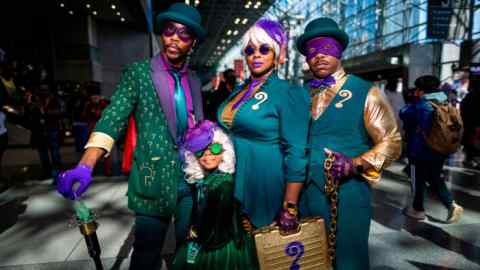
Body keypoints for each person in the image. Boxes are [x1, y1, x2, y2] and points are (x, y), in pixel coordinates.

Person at [56, 3, 206, 269]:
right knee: (146, 254)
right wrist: (85, 164)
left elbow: (199, 127)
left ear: (192, 41)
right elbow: (113, 118)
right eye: (170, 30)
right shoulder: (138, 74)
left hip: (191, 182)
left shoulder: (194, 80)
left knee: (190, 251)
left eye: (184, 34)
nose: (174, 38)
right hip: (152, 181)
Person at [290, 18, 402, 269]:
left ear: (340, 51)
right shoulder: (298, 94)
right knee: (309, 260)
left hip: (347, 193)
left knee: (348, 258)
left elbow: (392, 141)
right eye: (312, 51)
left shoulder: (366, 92)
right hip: (303, 193)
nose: (319, 56)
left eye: (327, 49)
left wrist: (356, 163)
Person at [217, 19, 309, 231]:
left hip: (265, 183)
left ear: (276, 53)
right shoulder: (240, 91)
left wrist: (290, 206)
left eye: (264, 49)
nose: (256, 55)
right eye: (250, 50)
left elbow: (296, 152)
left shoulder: (288, 93)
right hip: (234, 178)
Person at [171, 120, 258, 270]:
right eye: (200, 152)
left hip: (219, 246)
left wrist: (198, 233)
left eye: (215, 149)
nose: (208, 155)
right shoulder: (206, 179)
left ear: (225, 150)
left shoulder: (224, 184)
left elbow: (219, 229)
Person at [400, 75, 464, 223]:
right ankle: (451, 205)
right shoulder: (444, 101)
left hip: (419, 150)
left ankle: (417, 209)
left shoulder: (421, 105)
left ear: (421, 90)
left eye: (417, 89)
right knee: (435, 177)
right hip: (439, 149)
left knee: (417, 179)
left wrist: (413, 100)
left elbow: (403, 113)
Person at [460, 79, 480, 168]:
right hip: (474, 126)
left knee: (470, 144)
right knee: (474, 144)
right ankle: (473, 159)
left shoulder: (469, 96)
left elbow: (463, 110)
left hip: (469, 126)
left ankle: (469, 159)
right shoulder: (474, 96)